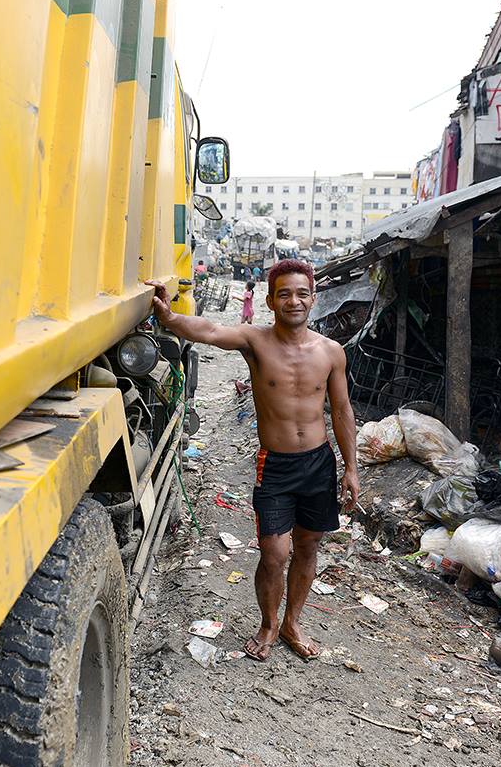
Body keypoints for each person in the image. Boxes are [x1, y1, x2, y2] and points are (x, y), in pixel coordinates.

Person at [147, 260, 359, 662]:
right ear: (270, 301)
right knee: (274, 553)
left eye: (301, 293)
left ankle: (292, 623)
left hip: (319, 463)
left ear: (313, 299)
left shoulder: (331, 352)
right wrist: (170, 318)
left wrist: (351, 468)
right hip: (275, 464)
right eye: (284, 294)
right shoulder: (255, 341)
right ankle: (269, 624)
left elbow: (342, 409)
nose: (293, 301)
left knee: (308, 546)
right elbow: (210, 331)